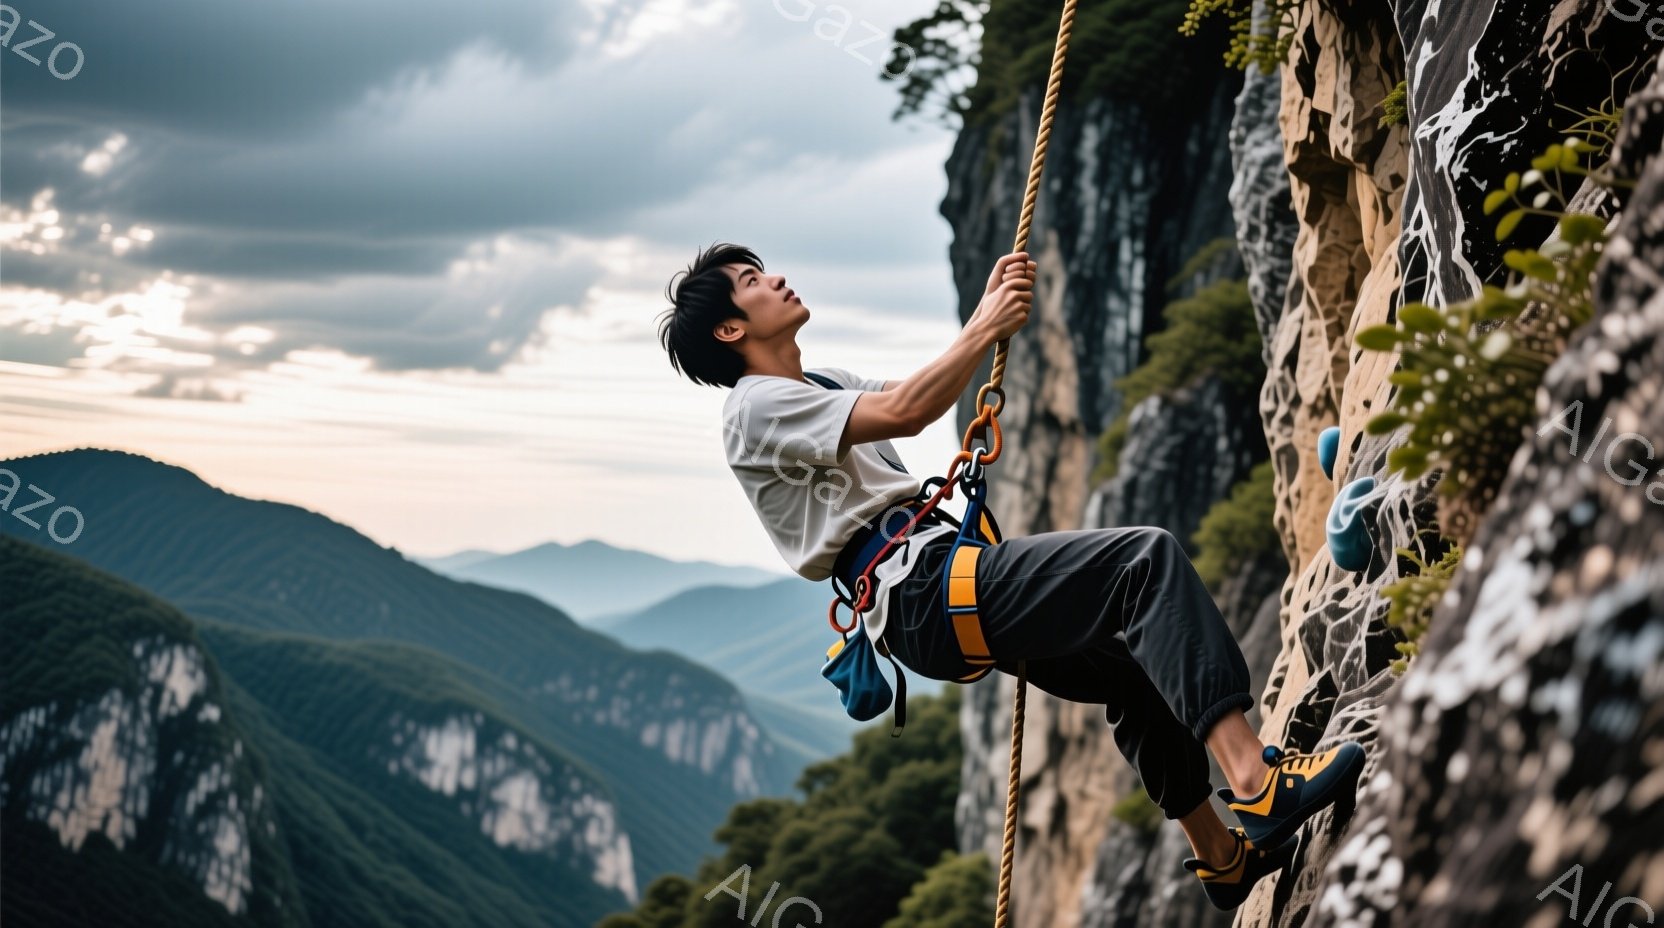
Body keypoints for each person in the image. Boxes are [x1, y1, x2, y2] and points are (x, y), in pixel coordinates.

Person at [657, 241, 1366, 911]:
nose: (774, 281)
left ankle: (1222, 859)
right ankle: (1256, 782)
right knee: (1143, 562)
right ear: (728, 330)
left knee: (1131, 670)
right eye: (752, 282)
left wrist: (981, 319)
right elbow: (908, 410)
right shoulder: (752, 408)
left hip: (932, 589)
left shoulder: (820, 383)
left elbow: (905, 397)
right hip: (924, 588)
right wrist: (986, 324)